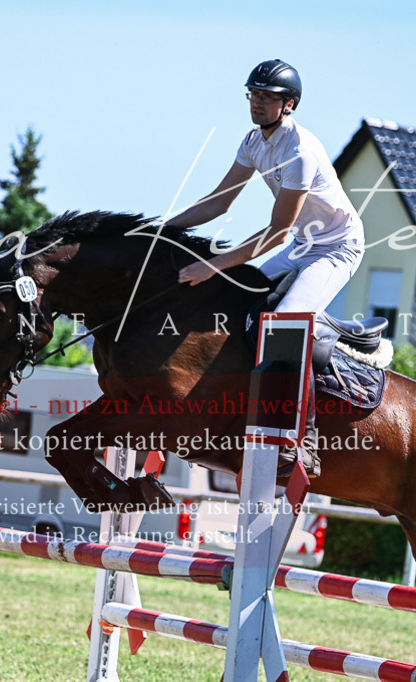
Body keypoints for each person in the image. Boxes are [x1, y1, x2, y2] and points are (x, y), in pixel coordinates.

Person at [169, 59, 365, 478]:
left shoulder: (300, 153)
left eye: (267, 98)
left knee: (283, 324)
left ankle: (304, 440)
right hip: (302, 244)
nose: (257, 103)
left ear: (288, 104)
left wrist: (213, 265)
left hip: (336, 247)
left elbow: (277, 232)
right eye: (253, 95)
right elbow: (220, 201)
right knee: (239, 299)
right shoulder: (253, 141)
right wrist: (161, 227)